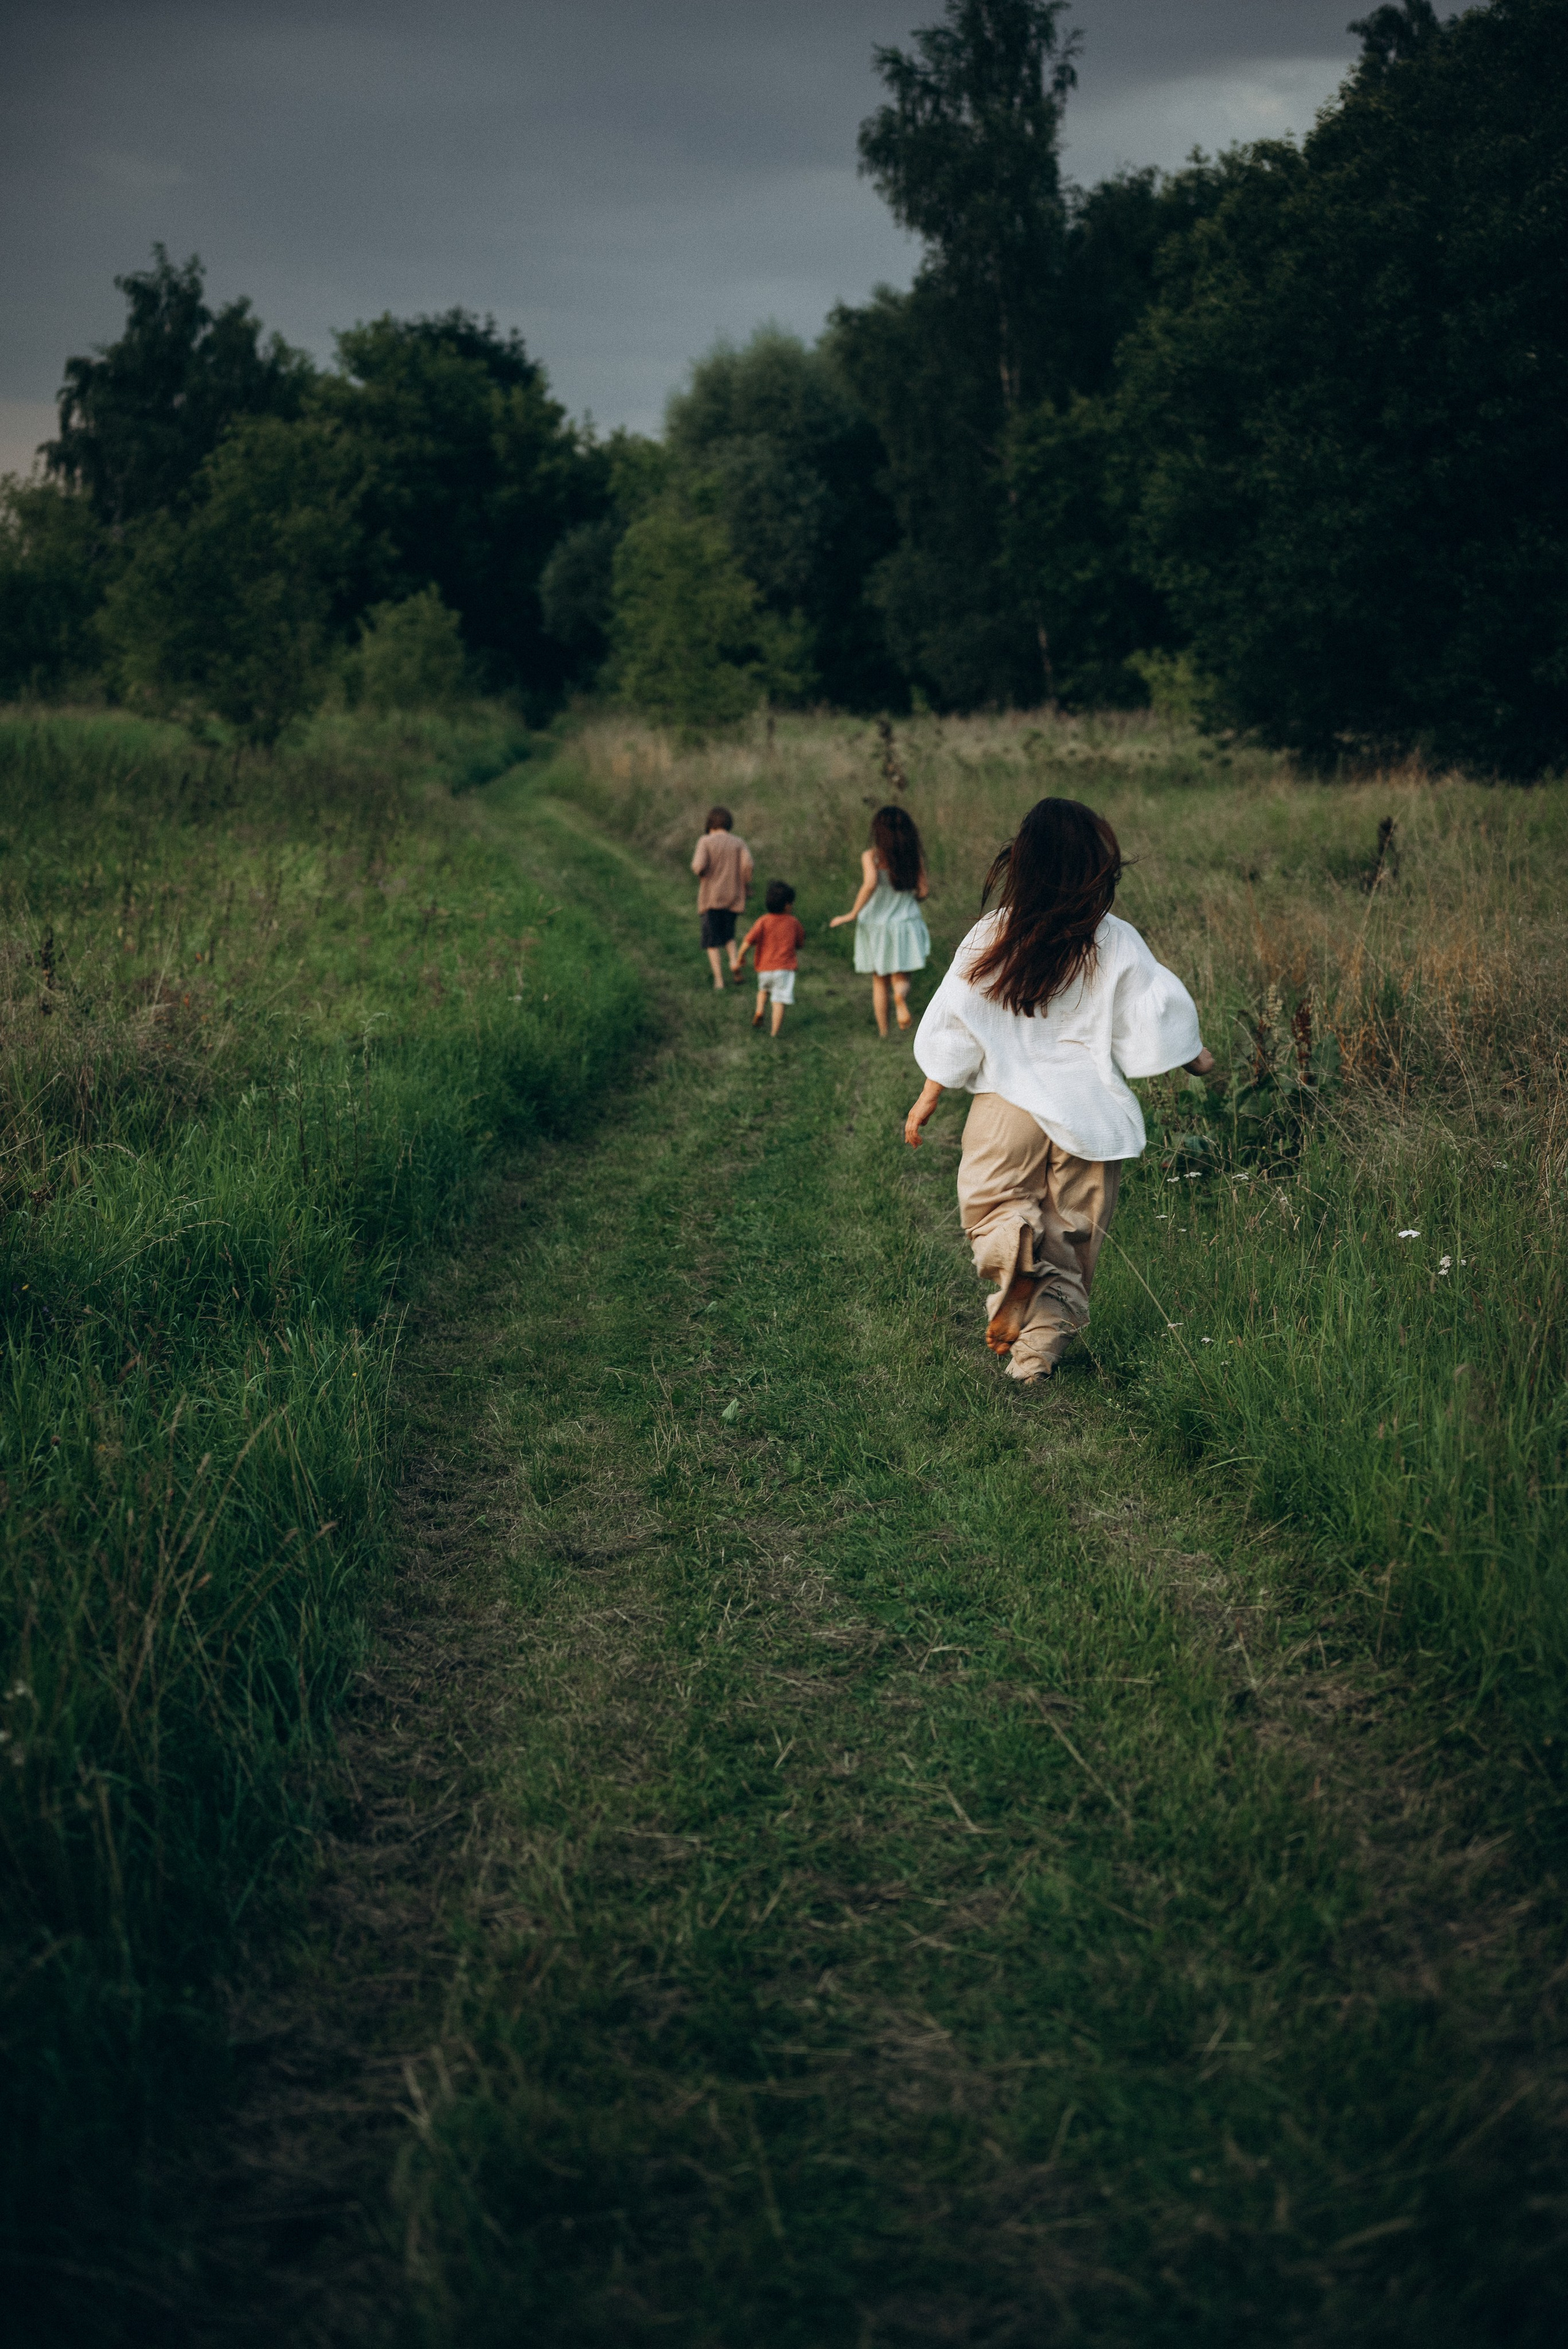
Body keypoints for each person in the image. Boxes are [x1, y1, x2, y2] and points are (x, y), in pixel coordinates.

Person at [903, 796, 1216, 1384]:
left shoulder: (993, 933)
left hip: (1007, 1106)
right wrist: (1196, 1057)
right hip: (1091, 1117)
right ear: (1095, 866)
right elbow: (1157, 1011)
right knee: (1071, 1243)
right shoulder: (1115, 938)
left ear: (1022, 862)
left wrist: (929, 1095)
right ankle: (1032, 1363)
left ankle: (1016, 1254)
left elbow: (955, 1018)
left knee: (992, 1209)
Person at [828, 804, 931, 1036]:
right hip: (905, 923)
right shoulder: (913, 856)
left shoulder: (872, 856)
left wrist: (852, 913)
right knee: (901, 976)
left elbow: (871, 883)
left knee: (879, 980)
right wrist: (910, 897)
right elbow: (924, 891)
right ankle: (900, 997)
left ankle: (884, 1033)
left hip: (876, 925)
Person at [691, 804, 753, 990]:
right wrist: (745, 883)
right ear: (729, 824)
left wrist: (702, 873)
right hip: (733, 896)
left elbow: (698, 866)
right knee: (729, 935)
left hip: (711, 898)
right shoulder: (739, 843)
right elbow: (748, 865)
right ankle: (734, 962)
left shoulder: (706, 841)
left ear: (710, 824)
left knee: (712, 940)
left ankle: (719, 979)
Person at [737, 881, 804, 1036]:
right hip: (784, 969)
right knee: (778, 1001)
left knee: (763, 991)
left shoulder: (763, 921)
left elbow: (748, 941)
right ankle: (774, 1034)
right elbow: (800, 943)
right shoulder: (793, 922)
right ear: (787, 905)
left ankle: (760, 1010)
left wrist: (741, 956)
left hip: (764, 969)